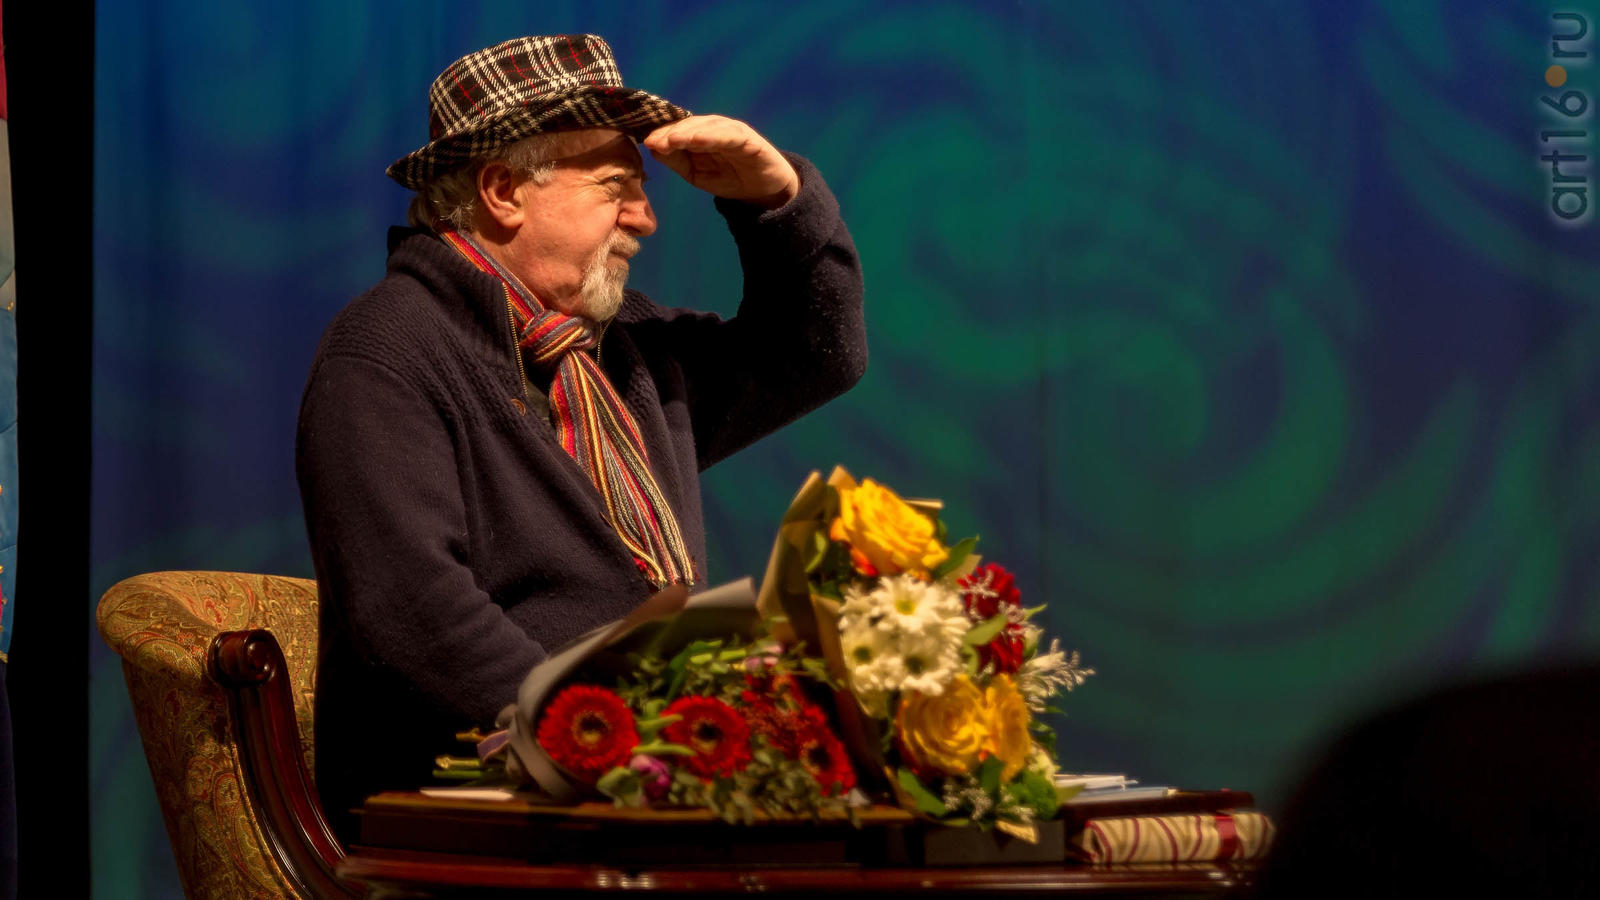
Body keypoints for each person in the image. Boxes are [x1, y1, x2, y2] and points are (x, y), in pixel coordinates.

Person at [295, 34, 866, 842]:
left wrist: (775, 202)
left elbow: (816, 353)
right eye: (614, 187)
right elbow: (415, 612)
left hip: (631, 787)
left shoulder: (624, 353)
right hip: (471, 810)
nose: (646, 218)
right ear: (503, 191)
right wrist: (607, 739)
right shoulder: (387, 352)